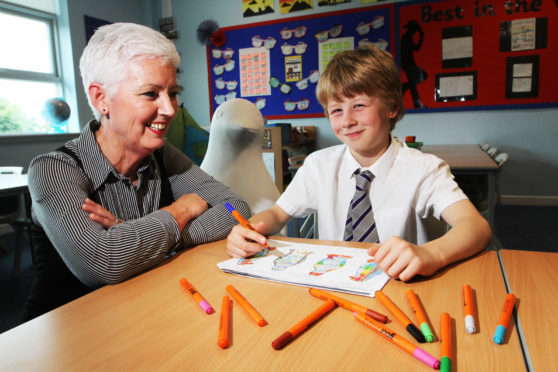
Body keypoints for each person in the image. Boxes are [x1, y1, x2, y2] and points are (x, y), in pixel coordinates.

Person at [24, 23, 250, 320]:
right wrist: (179, 212)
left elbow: (237, 208)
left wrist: (137, 235)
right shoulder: (53, 169)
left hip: (142, 314)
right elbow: (104, 262)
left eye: (172, 92)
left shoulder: (160, 154)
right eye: (150, 94)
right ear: (100, 99)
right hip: (68, 336)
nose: (169, 109)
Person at [226, 46, 491, 282]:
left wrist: (430, 253)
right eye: (336, 110)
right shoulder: (319, 165)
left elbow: (476, 226)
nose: (347, 120)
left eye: (359, 105)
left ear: (391, 108)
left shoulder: (424, 169)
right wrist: (248, 230)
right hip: (333, 282)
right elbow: (276, 214)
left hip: (400, 285)